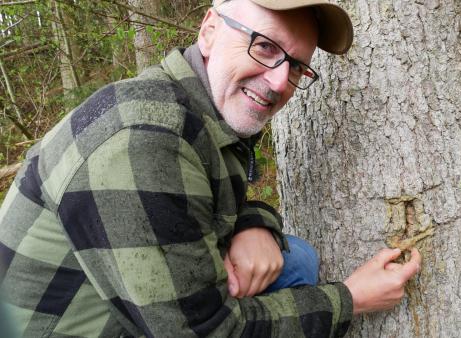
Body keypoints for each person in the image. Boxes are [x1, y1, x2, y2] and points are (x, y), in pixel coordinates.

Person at [0, 0, 422, 336]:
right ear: (209, 30)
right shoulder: (144, 139)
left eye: (295, 66)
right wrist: (351, 299)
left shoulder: (200, 109)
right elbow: (206, 332)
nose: (278, 82)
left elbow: (200, 202)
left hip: (125, 303)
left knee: (295, 260)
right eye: (265, 46)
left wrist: (253, 225)